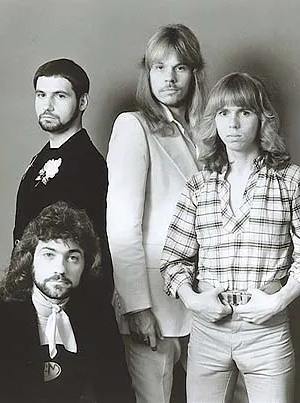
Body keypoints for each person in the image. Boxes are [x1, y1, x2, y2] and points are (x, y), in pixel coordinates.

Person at [160, 72, 300, 403]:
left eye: (244, 112)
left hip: (267, 331)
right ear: (214, 121)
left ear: (262, 119)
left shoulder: (291, 181)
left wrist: (279, 301)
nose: (233, 123)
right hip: (208, 329)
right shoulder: (199, 186)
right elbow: (173, 259)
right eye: (224, 113)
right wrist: (193, 300)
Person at [0, 202, 135, 403]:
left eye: (72, 257)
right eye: (49, 255)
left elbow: (120, 396)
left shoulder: (99, 319)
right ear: (30, 260)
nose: (60, 269)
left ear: (85, 265)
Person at [106, 24, 206, 403]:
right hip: (155, 300)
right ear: (147, 73)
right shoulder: (133, 126)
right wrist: (137, 306)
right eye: (159, 67)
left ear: (194, 73)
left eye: (180, 67)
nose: (169, 78)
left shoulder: (208, 131)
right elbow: (122, 225)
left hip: (207, 296)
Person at [14, 58, 113, 300]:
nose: (47, 105)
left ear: (82, 102)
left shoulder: (87, 163)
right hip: (32, 289)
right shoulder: (42, 157)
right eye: (41, 95)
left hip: (65, 295)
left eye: (59, 96)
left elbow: (85, 249)